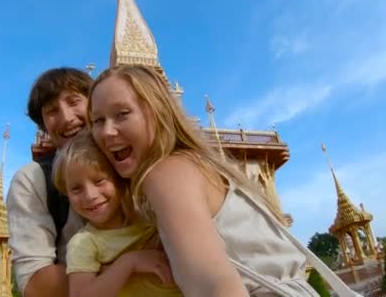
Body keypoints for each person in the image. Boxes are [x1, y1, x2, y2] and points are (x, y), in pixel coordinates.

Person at [87, 64, 357, 296]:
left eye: (122, 114)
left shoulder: (167, 174)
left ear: (157, 113)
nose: (107, 132)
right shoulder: (191, 165)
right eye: (98, 120)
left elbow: (212, 285)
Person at [52, 130, 181, 297]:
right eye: (76, 189)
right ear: (66, 194)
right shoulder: (84, 243)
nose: (90, 195)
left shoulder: (151, 217)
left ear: (119, 181)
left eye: (99, 181)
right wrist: (128, 263)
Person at [6, 67, 92, 297]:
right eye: (52, 111)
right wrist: (130, 268)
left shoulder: (129, 162)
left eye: (74, 101)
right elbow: (37, 285)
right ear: (43, 126)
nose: (67, 117)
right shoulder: (33, 180)